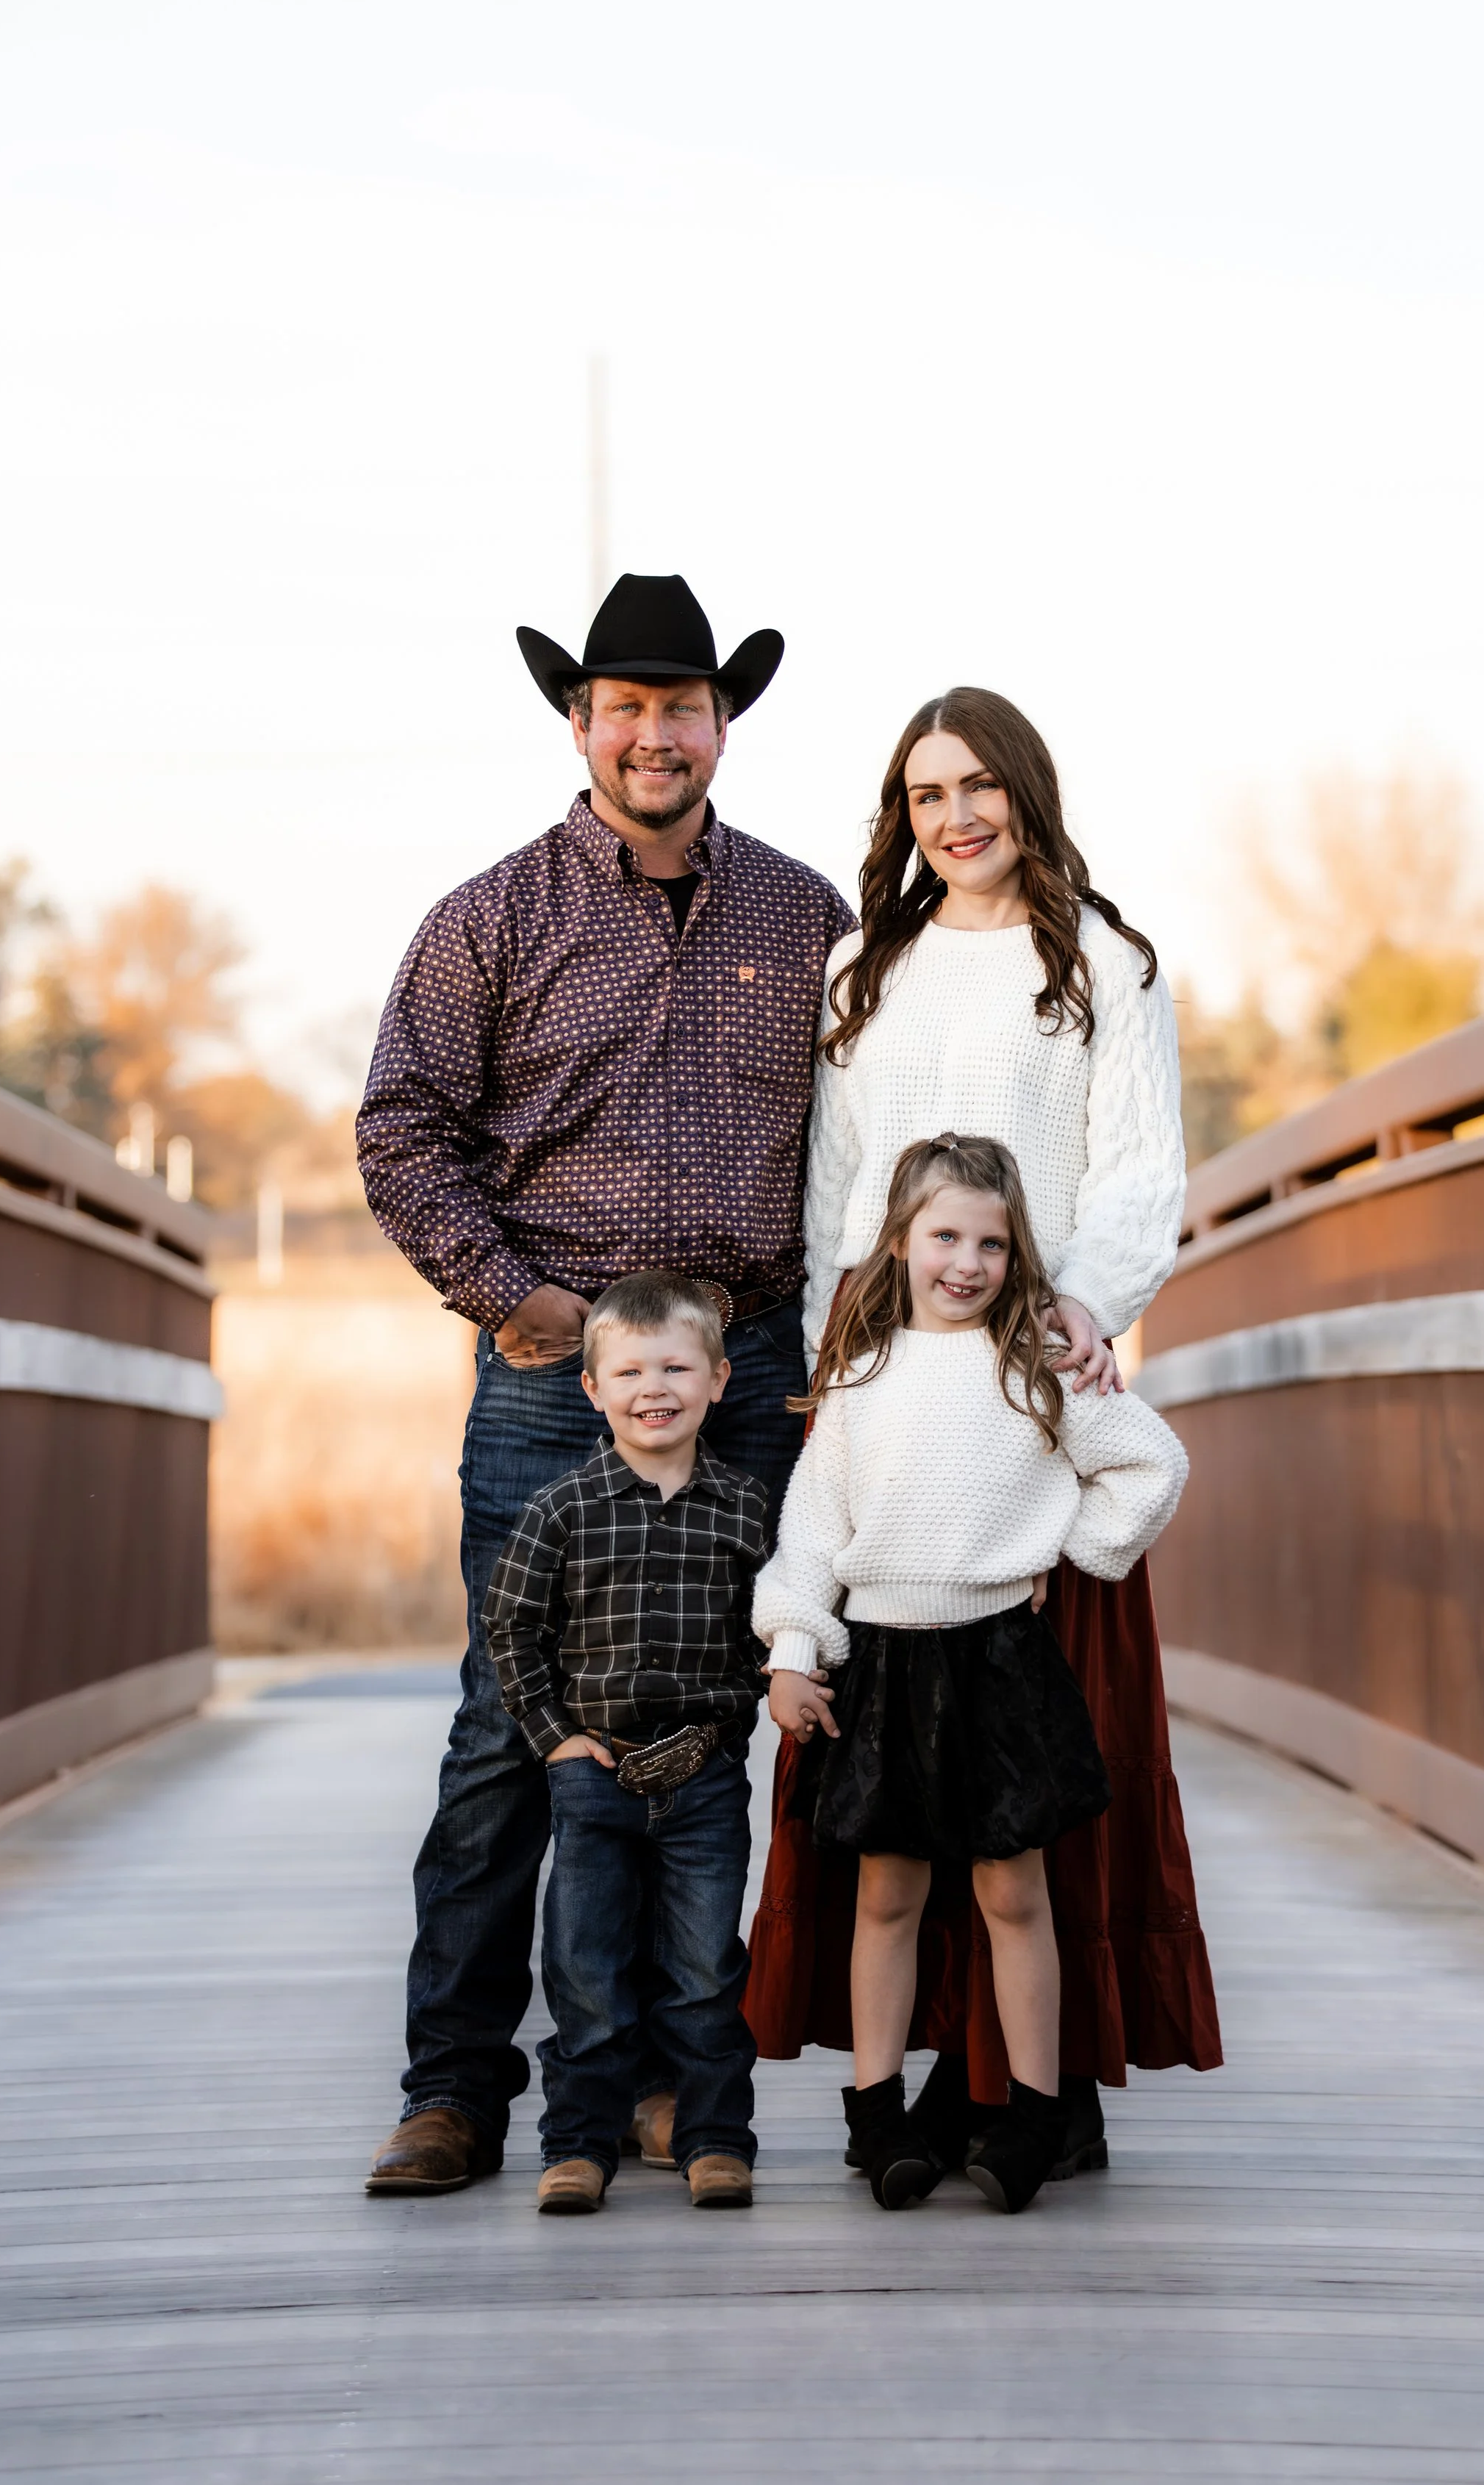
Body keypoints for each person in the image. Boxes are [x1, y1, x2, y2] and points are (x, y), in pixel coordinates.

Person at [356, 572, 853, 2194]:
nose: (656, 734)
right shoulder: (488, 919)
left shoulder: (804, 922)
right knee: (515, 1725)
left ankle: (652, 2083)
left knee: (714, 1719)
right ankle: (452, 2092)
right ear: (580, 726)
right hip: (552, 1380)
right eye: (625, 707)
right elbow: (403, 1131)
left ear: (723, 726)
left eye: (683, 705)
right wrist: (521, 1305)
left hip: (753, 1362)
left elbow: (869, 1144)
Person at [745, 685, 1222, 2169]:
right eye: (921, 794)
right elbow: (838, 1188)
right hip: (895, 1413)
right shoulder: (860, 969)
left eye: (975, 788)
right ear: (901, 816)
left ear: (1023, 790)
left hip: (1034, 1396)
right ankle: (896, 2090)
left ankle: (1034, 2089)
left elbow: (1139, 1169)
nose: (950, 818)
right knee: (892, 1798)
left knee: (1030, 1789)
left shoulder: (1101, 962)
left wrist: (1082, 1302)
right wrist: (841, 1357)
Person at [753, 1135, 1189, 2213]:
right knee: (888, 1897)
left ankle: (1034, 2114)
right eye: (945, 1234)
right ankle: (878, 2117)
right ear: (898, 1241)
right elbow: (813, 1528)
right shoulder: (860, 1375)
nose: (968, 1260)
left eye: (992, 1241)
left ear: (1016, 1254)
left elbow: (1153, 1463)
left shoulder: (1032, 1369)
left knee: (1014, 1892)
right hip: (886, 1665)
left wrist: (1068, 1550)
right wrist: (793, 1651)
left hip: (1000, 1660)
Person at [484, 1274, 766, 2215]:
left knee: (704, 1971)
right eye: (632, 1369)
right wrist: (552, 1738)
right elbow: (511, 1627)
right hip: (593, 1776)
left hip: (705, 1777)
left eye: (678, 1366)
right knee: (586, 1968)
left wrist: (753, 1714)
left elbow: (776, 1624)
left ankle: (714, 2138)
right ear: (592, 1389)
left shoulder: (744, 1510)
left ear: (719, 1380)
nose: (657, 1387)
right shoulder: (561, 1508)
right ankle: (577, 2144)